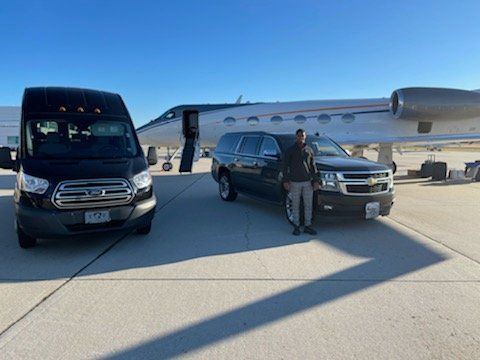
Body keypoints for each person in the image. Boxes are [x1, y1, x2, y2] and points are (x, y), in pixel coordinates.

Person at [282, 129, 320, 235]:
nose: (300, 137)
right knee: (295, 205)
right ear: (296, 137)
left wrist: (316, 181)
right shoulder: (290, 150)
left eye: (302, 136)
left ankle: (308, 226)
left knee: (308, 205)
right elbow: (285, 167)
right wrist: (285, 181)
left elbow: (313, 166)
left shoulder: (309, 150)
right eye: (298, 136)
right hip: (294, 182)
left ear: (305, 137)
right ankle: (296, 226)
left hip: (307, 182)